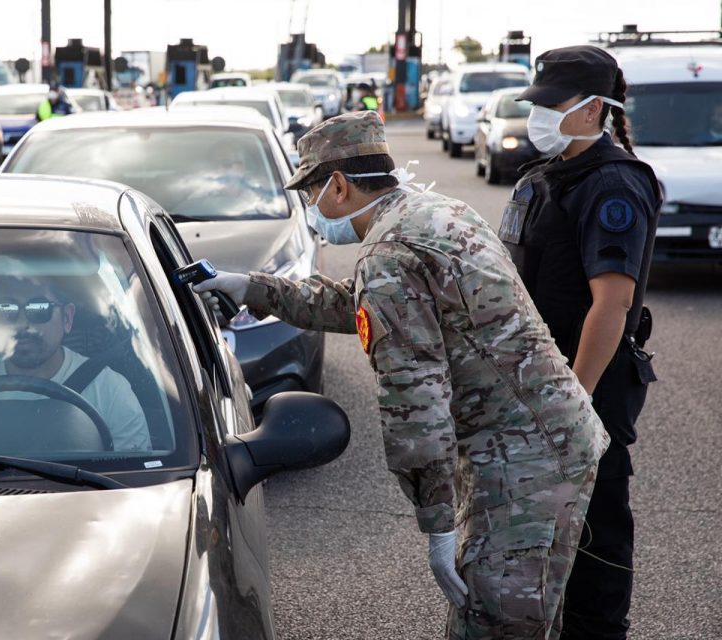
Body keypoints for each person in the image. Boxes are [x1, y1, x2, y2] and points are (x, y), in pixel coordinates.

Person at [195, 111, 609, 639]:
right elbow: (363, 305)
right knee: (527, 620)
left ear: (339, 186)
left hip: (523, 462)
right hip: (545, 441)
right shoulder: (431, 212)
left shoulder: (389, 253)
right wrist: (249, 287)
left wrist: (437, 526)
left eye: (311, 192)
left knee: (496, 626)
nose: (311, 207)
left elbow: (416, 405)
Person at [500, 45, 661, 640]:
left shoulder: (612, 184)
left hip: (582, 393)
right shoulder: (545, 175)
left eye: (553, 105)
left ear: (594, 109)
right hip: (537, 388)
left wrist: (575, 402)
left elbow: (612, 304)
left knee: (593, 543)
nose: (538, 115)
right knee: (539, 540)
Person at [0, 275, 151, 452]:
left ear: (67, 318)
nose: (23, 323)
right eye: (7, 310)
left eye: (39, 309)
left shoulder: (110, 391)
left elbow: (135, 481)